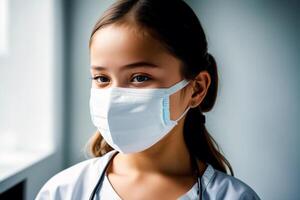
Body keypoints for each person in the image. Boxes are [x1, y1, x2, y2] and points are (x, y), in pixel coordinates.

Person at [35, 0, 261, 199]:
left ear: (196, 89)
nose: (115, 96)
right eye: (102, 78)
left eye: (140, 78)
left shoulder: (234, 197)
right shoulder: (62, 191)